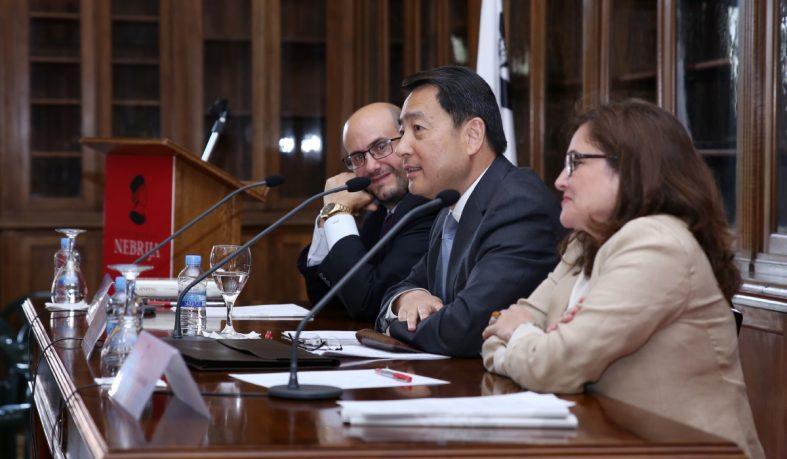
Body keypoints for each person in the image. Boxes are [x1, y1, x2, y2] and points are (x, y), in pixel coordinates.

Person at [481, 100, 764, 459]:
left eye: (575, 162)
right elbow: (497, 332)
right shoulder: (584, 243)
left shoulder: (656, 244)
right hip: (609, 443)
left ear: (632, 168)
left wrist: (523, 337)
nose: (559, 180)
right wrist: (530, 341)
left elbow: (554, 364)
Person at [375, 66, 563, 357]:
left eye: (418, 129)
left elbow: (465, 328)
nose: (401, 149)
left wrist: (396, 328)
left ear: (473, 135)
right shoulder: (449, 207)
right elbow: (402, 286)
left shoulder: (519, 204)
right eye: (402, 132)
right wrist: (408, 298)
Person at [297, 103, 436, 322]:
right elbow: (324, 297)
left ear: (406, 142)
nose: (371, 166)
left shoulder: (428, 208)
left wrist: (337, 212)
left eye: (381, 147)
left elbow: (368, 304)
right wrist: (328, 217)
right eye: (358, 157)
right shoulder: (376, 214)